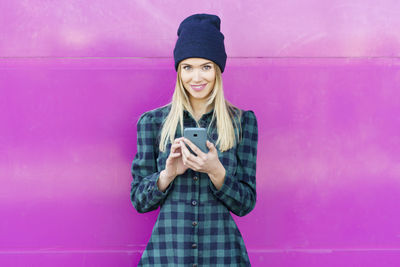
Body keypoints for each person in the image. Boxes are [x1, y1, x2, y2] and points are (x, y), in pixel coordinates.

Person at [130, 13, 258, 266]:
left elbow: (245, 204)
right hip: (167, 256)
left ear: (218, 70)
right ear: (178, 71)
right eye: (187, 67)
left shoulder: (242, 122)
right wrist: (167, 175)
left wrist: (217, 172)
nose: (196, 78)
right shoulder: (153, 123)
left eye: (206, 67)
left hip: (222, 257)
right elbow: (139, 201)